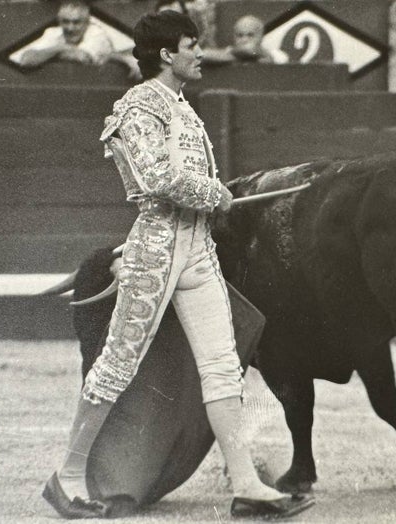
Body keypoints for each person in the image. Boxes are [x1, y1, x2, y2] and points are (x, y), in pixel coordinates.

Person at [41, 10, 314, 521]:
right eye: (192, 45)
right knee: (118, 363)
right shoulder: (138, 105)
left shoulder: (183, 110)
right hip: (156, 248)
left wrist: (212, 199)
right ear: (167, 54)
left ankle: (247, 485)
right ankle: (69, 476)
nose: (200, 53)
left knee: (221, 365)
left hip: (197, 250)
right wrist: (217, 193)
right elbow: (156, 178)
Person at [11, 0, 140, 79]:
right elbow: (26, 59)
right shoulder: (53, 33)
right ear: (59, 22)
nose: (70, 28)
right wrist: (61, 48)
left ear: (86, 23)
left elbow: (81, 57)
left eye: (76, 22)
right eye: (65, 22)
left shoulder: (96, 33)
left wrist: (48, 54)